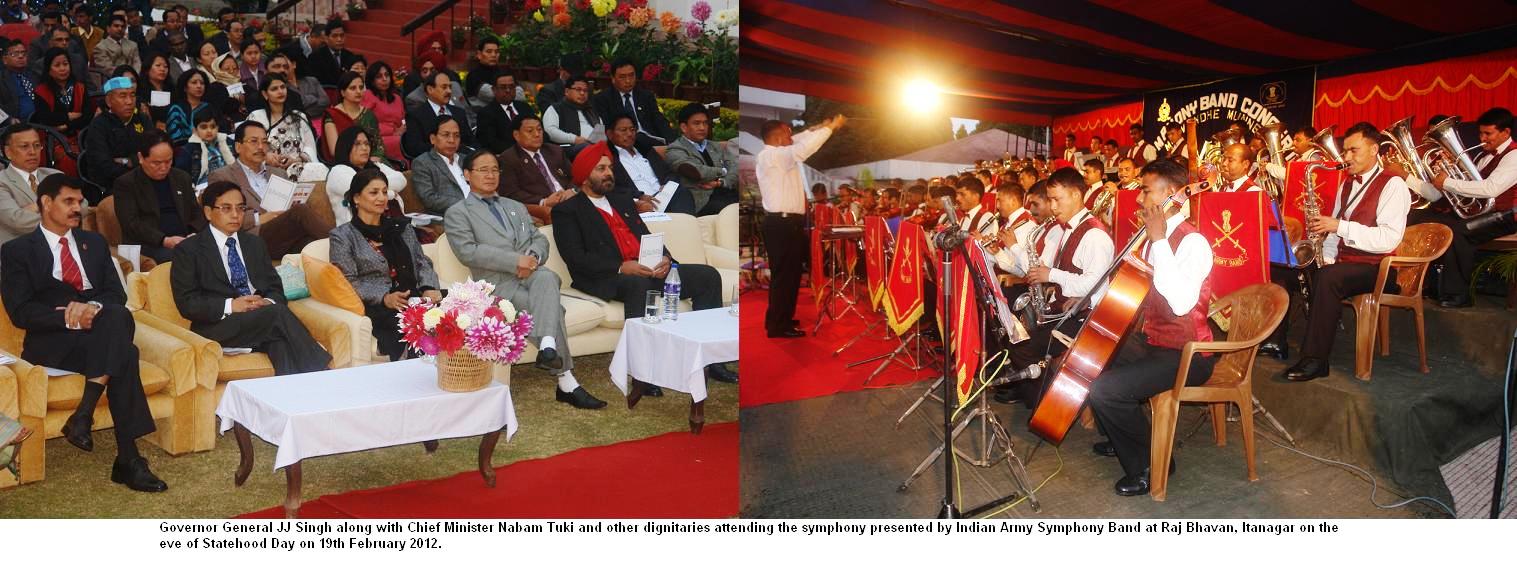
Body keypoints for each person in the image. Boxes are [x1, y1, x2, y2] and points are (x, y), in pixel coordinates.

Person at [1, 174, 167, 492]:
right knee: (125, 351)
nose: (78, 208)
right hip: (52, 341)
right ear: (46, 203)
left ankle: (97, 428)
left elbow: (115, 295)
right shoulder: (17, 251)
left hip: (99, 333)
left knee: (117, 320)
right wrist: (68, 316)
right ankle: (122, 456)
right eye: (69, 201)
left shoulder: (95, 243)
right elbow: (20, 312)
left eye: (80, 201)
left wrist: (90, 307)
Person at [551, 142, 736, 384]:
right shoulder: (567, 210)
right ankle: (643, 374)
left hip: (647, 270)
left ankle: (712, 362)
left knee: (707, 276)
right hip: (606, 277)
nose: (608, 173)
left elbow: (647, 236)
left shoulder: (622, 201)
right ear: (585, 177)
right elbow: (575, 257)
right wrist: (621, 266)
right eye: (600, 169)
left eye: (609, 168)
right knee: (637, 286)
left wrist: (666, 259)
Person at [1086, 158, 1217, 497]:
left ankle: (1151, 464)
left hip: (1188, 353)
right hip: (1154, 340)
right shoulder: (1149, 239)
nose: (1140, 199)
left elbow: (1180, 304)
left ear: (1171, 195)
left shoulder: (1193, 242)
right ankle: (1123, 436)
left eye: (1146, 191)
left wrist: (1159, 242)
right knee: (1094, 356)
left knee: (1106, 390)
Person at [444, 150, 603, 409]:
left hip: (532, 273)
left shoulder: (515, 206)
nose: (490, 175)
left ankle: (549, 349)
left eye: (495, 169)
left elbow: (538, 239)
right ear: (467, 175)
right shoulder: (457, 212)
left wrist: (532, 257)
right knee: (553, 306)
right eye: (483, 169)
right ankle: (565, 379)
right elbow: (467, 251)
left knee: (547, 277)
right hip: (496, 284)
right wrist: (514, 261)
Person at [1282, 123, 1410, 382]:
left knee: (1329, 278)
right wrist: (1324, 257)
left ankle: (1316, 360)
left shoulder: (1394, 185)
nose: (1346, 157)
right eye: (1345, 151)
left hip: (1378, 267)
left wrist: (1339, 226)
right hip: (1345, 262)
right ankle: (1275, 342)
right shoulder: (1348, 184)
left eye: (1354, 150)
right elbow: (1334, 233)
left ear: (1374, 150)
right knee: (1287, 268)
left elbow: (1388, 239)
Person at [170, 181, 332, 375]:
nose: (235, 214)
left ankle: (291, 400)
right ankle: (324, 372)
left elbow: (275, 288)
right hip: (219, 326)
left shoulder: (254, 244)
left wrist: (266, 301)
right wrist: (232, 305)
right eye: (226, 208)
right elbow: (187, 303)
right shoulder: (188, 250)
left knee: (279, 341)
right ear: (207, 212)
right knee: (277, 314)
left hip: (260, 320)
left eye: (240, 208)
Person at [989, 169, 1114, 406]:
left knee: (1024, 347)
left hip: (1085, 319)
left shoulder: (1095, 235)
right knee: (1016, 338)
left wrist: (1050, 274)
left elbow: (1093, 284)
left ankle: (1050, 405)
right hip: (1064, 309)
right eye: (1051, 200)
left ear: (1077, 195)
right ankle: (1040, 399)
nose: (1053, 207)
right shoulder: (1067, 229)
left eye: (1057, 199)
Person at [1405, 107, 1517, 308]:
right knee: (1424, 221)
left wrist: (1447, 182)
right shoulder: (1483, 157)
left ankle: (1459, 295)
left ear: (1506, 133)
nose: (1482, 138)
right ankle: (1421, 286)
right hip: (1483, 213)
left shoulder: (1514, 155)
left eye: (1488, 133)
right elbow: (1466, 188)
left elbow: (1491, 189)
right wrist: (1445, 174)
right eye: (1480, 133)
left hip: (1507, 215)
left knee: (1458, 231)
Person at [329, 168, 441, 361]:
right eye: (373, 192)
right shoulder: (342, 236)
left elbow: (422, 262)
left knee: (457, 315)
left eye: (384, 191)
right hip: (382, 306)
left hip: (415, 296)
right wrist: (384, 297)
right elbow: (348, 281)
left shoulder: (401, 227)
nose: (381, 197)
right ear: (356, 198)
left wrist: (428, 288)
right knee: (408, 327)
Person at [757, 114, 844, 339]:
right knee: (784, 276)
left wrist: (819, 126)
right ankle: (778, 325)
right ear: (777, 138)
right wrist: (830, 129)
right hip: (781, 223)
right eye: (787, 133)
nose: (791, 137)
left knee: (792, 275)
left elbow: (800, 139)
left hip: (788, 224)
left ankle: (782, 317)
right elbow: (802, 148)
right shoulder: (773, 155)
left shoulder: (779, 152)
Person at [207, 121, 335, 259]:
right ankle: (345, 244)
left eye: (264, 142)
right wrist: (259, 219)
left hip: (283, 236)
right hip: (252, 238)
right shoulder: (222, 176)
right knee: (300, 211)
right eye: (254, 141)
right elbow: (220, 216)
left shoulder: (279, 173)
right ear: (238, 147)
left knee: (314, 245)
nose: (261, 147)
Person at [115, 129, 202, 264]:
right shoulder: (126, 184)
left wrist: (193, 233)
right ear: (141, 158)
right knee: (183, 257)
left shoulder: (181, 177)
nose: (163, 168)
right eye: (156, 163)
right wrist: (164, 240)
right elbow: (131, 224)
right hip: (150, 244)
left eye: (168, 161)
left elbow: (195, 211)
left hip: (184, 239)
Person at [245, 73, 326, 183]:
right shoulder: (256, 117)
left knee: (319, 170)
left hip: (300, 167)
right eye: (274, 89)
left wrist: (296, 159)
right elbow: (249, 146)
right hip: (268, 170)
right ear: (265, 94)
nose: (280, 91)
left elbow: (310, 146)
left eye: (283, 87)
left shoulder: (299, 117)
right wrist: (266, 156)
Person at [664, 103, 738, 216]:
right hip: (703, 201)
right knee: (732, 211)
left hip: (727, 191)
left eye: (705, 123)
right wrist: (723, 170)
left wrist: (720, 183)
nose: (702, 128)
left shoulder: (716, 146)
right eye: (696, 123)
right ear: (684, 127)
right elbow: (696, 172)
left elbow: (735, 170)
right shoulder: (675, 149)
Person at [81, 76, 152, 193]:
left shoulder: (143, 120)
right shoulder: (99, 125)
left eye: (132, 95)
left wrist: (129, 161)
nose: (129, 101)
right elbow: (103, 165)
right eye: (123, 96)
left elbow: (152, 152)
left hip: (143, 179)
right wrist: (137, 171)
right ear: (109, 101)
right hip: (111, 186)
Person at [325, 127, 407, 224]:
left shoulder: (375, 166)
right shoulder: (338, 172)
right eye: (357, 144)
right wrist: (391, 194)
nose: (364, 148)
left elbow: (401, 180)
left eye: (367, 143)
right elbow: (361, 190)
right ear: (346, 147)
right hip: (355, 233)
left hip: (390, 224)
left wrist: (375, 190)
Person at [591, 58, 676, 145]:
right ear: (613, 79)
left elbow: (659, 120)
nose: (628, 81)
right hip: (624, 143)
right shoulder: (602, 99)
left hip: (651, 140)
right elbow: (606, 128)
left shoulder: (646, 96)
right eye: (622, 77)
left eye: (631, 75)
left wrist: (673, 142)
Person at [499, 114, 575, 213]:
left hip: (570, 198)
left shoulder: (555, 150)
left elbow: (575, 175)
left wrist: (572, 190)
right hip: (546, 206)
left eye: (539, 130)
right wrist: (543, 201)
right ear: (516, 135)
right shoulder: (509, 159)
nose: (537, 134)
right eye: (530, 131)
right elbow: (511, 193)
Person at [0, 124, 61, 245]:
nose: (32, 152)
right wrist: (59, 211)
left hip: (61, 248)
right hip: (21, 253)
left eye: (37, 145)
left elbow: (83, 205)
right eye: (24, 146)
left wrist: (36, 207)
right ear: (8, 152)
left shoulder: (55, 175)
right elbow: (18, 221)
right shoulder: (2, 181)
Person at [606, 112, 678, 213]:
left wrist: (667, 185)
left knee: (683, 192)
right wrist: (639, 196)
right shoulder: (608, 158)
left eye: (632, 130)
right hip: (640, 204)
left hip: (665, 197)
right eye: (623, 130)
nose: (630, 134)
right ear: (610, 134)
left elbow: (669, 173)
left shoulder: (645, 150)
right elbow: (613, 188)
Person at [402, 70, 473, 159]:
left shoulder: (459, 112)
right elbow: (414, 148)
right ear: (430, 89)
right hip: (433, 162)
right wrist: (445, 148)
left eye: (450, 87)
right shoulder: (415, 115)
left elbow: (470, 140)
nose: (449, 91)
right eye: (444, 87)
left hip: (462, 159)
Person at [411, 116, 472, 217]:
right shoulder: (422, 163)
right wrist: (467, 203)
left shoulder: (467, 159)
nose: (452, 140)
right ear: (433, 139)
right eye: (446, 135)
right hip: (451, 216)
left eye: (456, 136)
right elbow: (429, 198)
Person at [323, 71, 386, 163]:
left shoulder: (368, 114)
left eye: (361, 88)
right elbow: (335, 151)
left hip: (371, 161)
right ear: (343, 92)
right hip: (346, 163)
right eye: (353, 88)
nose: (358, 91)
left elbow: (378, 146)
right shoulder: (333, 115)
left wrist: (375, 159)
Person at [30, 47, 89, 136]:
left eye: (65, 64)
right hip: (53, 138)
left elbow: (87, 116)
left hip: (80, 136)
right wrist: (68, 116)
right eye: (57, 65)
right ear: (49, 69)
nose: (63, 69)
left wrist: (67, 125)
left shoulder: (80, 87)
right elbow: (46, 118)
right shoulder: (41, 91)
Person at [473, 70, 534, 154]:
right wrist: (522, 149)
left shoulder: (524, 107)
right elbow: (491, 143)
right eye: (503, 87)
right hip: (508, 156)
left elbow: (541, 131)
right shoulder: (486, 113)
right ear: (494, 90)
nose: (508, 90)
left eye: (512, 86)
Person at [542, 75, 603, 159]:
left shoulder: (591, 110)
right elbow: (550, 131)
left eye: (585, 90)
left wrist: (595, 143)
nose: (582, 93)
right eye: (578, 90)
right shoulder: (556, 109)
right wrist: (574, 139)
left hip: (594, 148)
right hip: (568, 150)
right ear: (567, 91)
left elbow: (601, 133)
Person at [174, 108, 233, 185]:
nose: (209, 130)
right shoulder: (188, 150)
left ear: (217, 128)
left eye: (213, 126)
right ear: (195, 130)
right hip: (204, 187)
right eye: (204, 127)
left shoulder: (226, 141)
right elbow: (180, 176)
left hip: (230, 182)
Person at [361, 61, 405, 161]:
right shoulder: (368, 95)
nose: (384, 79)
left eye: (387, 75)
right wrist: (393, 131)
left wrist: (403, 127)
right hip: (378, 138)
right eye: (379, 76)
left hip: (399, 136)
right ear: (372, 81)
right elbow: (364, 123)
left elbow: (403, 119)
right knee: (399, 142)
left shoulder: (397, 98)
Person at [164, 68, 211, 143]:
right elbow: (175, 139)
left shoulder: (209, 108)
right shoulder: (176, 110)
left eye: (202, 83)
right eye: (194, 82)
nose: (199, 86)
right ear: (185, 87)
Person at [306, 20, 356, 87]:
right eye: (335, 36)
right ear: (326, 38)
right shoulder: (315, 57)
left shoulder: (350, 56)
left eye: (342, 35)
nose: (339, 39)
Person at [0, 38, 33, 124]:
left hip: (40, 121)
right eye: (15, 54)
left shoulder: (35, 75)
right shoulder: (1, 80)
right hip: (15, 125)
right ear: (5, 60)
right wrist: (9, 120)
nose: (21, 56)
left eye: (23, 53)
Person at [462, 37, 500, 107]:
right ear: (479, 54)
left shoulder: (504, 72)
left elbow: (520, 95)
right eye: (489, 51)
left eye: (496, 52)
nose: (493, 55)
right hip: (481, 115)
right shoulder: (474, 75)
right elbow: (491, 94)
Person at [136, 51, 172, 124]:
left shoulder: (172, 89)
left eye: (166, 67)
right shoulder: (140, 90)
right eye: (158, 65)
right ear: (147, 69)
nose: (162, 69)